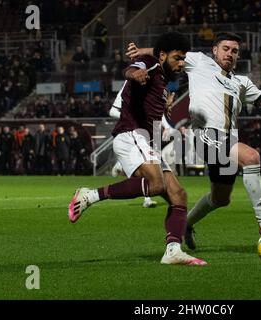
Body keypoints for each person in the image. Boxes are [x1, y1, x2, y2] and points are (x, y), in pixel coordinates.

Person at [126, 32, 261, 249]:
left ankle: (186, 224)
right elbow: (169, 53)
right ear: (214, 50)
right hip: (206, 135)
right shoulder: (199, 62)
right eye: (225, 49)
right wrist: (141, 52)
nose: (229, 54)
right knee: (251, 157)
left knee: (220, 198)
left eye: (234, 51)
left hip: (227, 140)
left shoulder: (242, 83)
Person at [68, 32, 207, 266]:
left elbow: (149, 103)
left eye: (183, 59)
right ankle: (89, 195)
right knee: (156, 185)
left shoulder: (163, 81)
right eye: (177, 58)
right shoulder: (152, 65)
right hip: (131, 134)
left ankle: (173, 250)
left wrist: (166, 106)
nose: (181, 63)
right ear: (162, 56)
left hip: (146, 141)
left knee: (178, 194)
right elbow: (131, 70)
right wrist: (135, 72)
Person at [109, 82, 158, 209]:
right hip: (132, 134)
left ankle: (121, 166)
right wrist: (131, 118)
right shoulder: (130, 84)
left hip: (145, 134)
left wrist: (168, 128)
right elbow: (113, 111)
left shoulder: (155, 85)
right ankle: (147, 198)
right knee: (147, 168)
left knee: (149, 169)